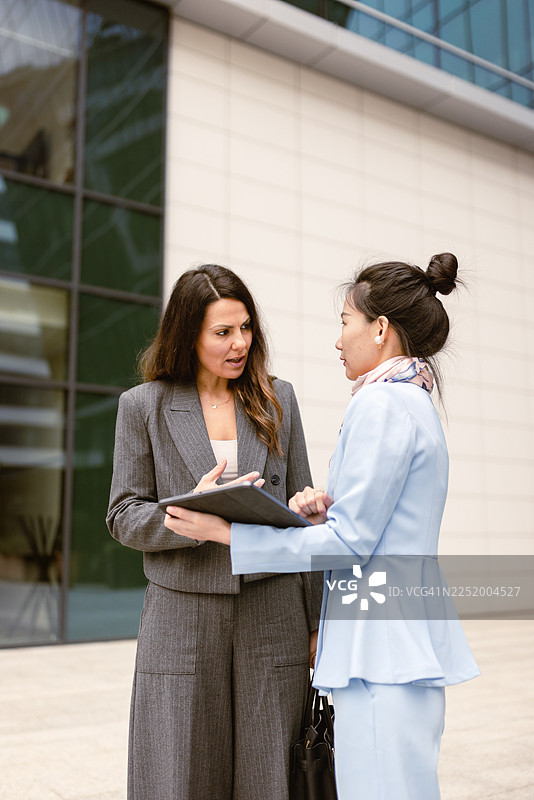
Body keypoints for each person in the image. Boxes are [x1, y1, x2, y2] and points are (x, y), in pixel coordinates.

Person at [163, 253, 481, 800]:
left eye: (345, 322)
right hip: (400, 641)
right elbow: (371, 526)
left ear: (380, 329)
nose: (338, 340)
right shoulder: (415, 400)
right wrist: (320, 514)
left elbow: (351, 543)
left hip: (382, 650)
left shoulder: (380, 404)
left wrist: (227, 533)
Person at [106, 264, 323, 800]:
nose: (240, 343)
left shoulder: (279, 399)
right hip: (181, 619)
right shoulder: (143, 406)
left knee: (271, 774)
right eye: (222, 332)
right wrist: (188, 518)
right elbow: (123, 514)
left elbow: (307, 515)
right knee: (178, 773)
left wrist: (318, 622)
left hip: (273, 613)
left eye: (245, 327)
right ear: (187, 335)